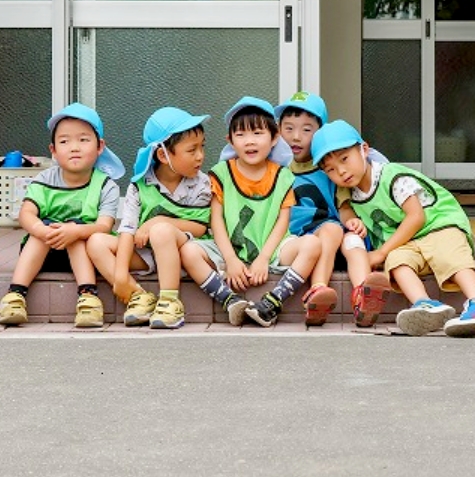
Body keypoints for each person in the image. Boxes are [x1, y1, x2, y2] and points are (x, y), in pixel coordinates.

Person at [312, 121, 475, 338]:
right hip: (407, 241)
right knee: (397, 262)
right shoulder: (348, 190)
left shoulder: (392, 176)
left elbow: (416, 217)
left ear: (364, 150)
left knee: (446, 253)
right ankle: (424, 304)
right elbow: (345, 208)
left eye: (345, 159)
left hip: (438, 225)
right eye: (330, 169)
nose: (341, 171)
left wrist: (382, 252)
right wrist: (351, 221)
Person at [206, 97, 329, 327]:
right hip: (229, 249)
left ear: (274, 138)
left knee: (312, 244)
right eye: (240, 135)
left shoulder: (283, 176)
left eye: (257, 133)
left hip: (272, 250)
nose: (249, 142)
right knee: (189, 251)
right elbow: (216, 221)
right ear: (230, 141)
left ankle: (273, 301)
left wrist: (263, 259)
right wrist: (231, 260)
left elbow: (283, 222)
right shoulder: (221, 173)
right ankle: (229, 299)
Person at [94, 106, 212, 330]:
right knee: (96, 242)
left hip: (186, 254)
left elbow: (200, 227)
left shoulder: (201, 184)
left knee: (161, 231)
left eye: (202, 147)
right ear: (163, 155)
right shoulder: (140, 186)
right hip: (148, 256)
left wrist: (157, 222)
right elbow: (128, 229)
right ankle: (138, 296)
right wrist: (120, 275)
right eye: (192, 150)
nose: (201, 156)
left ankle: (169, 301)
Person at [6, 103, 123, 328]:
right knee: (44, 230)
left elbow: (104, 226)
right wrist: (42, 230)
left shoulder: (105, 185)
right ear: (53, 150)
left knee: (75, 230)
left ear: (100, 146)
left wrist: (76, 230)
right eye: (64, 141)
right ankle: (15, 295)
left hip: (87, 256)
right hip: (43, 252)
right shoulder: (44, 179)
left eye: (83, 140)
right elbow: (27, 214)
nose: (74, 147)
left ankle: (88, 297)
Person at [279, 92, 378, 326]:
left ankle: (364, 295)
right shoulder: (280, 173)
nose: (296, 137)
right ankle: (318, 292)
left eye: (306, 130)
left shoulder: (330, 170)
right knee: (332, 231)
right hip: (302, 246)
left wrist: (352, 221)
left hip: (337, 244)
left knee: (348, 237)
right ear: (278, 131)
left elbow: (343, 206)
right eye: (289, 128)